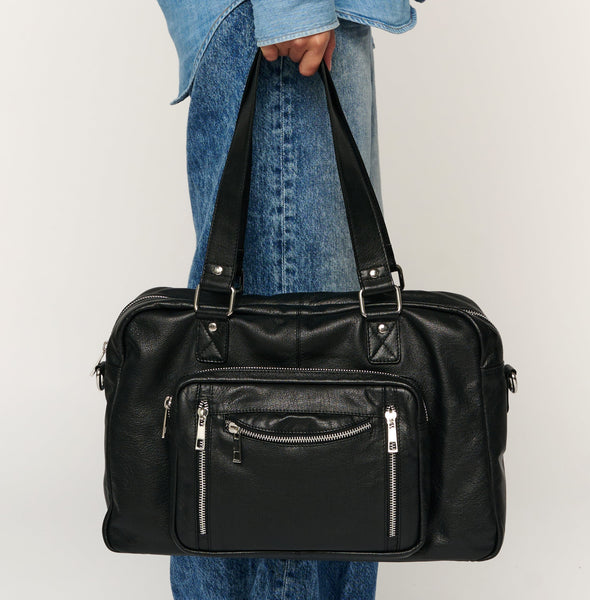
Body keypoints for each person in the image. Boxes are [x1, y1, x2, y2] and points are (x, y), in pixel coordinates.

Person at [156, 1, 425, 598]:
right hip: (284, 29)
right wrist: (291, 8)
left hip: (308, 22)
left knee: (325, 367)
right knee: (304, 387)